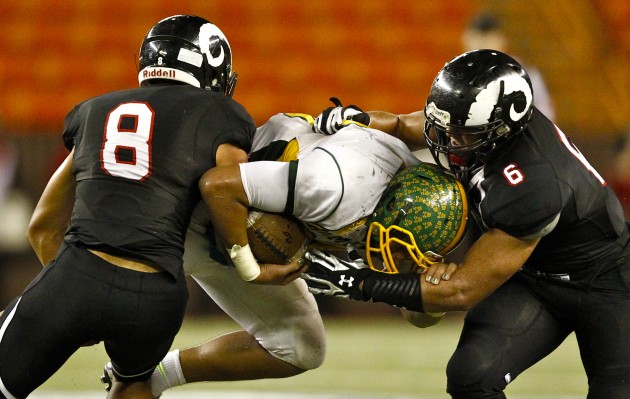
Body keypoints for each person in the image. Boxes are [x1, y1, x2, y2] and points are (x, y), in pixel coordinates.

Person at [302, 49, 630, 398]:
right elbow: (401, 125)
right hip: (534, 277)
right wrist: (357, 120)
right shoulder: (478, 129)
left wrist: (355, 281)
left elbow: (462, 291)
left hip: (608, 282)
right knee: (471, 375)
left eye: (464, 133)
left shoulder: (536, 181)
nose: (451, 141)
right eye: (449, 128)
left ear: (505, 128)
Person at [124, 105, 468, 397]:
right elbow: (218, 185)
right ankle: (130, 375)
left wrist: (432, 293)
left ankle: (155, 376)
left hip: (249, 209)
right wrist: (249, 268)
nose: (406, 261)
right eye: (410, 252)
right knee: (112, 308)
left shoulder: (399, 200)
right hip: (196, 214)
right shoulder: (338, 188)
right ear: (392, 213)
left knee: (300, 347)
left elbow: (414, 313)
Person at [1, 14, 260, 399]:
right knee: (133, 383)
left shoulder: (93, 112)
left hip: (80, 275)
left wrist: (76, 304)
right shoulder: (224, 116)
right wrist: (250, 264)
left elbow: (42, 227)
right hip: (158, 294)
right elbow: (234, 193)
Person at [462, 12, 555, 121]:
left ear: (502, 39)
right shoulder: (460, 74)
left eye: (488, 38)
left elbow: (546, 113)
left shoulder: (521, 72)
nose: (481, 44)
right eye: (476, 37)